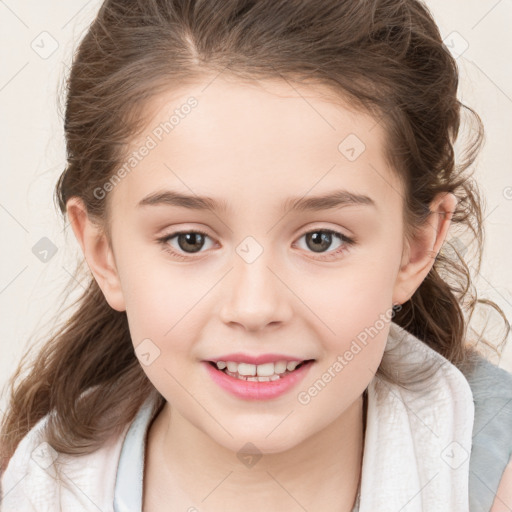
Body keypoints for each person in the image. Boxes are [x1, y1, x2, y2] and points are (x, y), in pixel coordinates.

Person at [1, 1, 511, 511]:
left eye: (321, 239)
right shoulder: (29, 490)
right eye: (190, 240)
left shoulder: (493, 476)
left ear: (415, 248)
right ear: (104, 253)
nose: (254, 307)